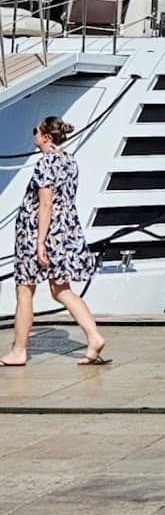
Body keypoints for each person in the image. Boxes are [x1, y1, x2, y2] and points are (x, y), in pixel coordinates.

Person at [1, 116, 107, 366]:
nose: (34, 134)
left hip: (40, 233)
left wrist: (39, 242)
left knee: (25, 290)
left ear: (46, 136)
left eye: (35, 130)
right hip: (66, 232)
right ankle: (93, 336)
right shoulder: (69, 160)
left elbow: (45, 204)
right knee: (62, 289)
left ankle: (19, 351)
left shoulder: (45, 164)